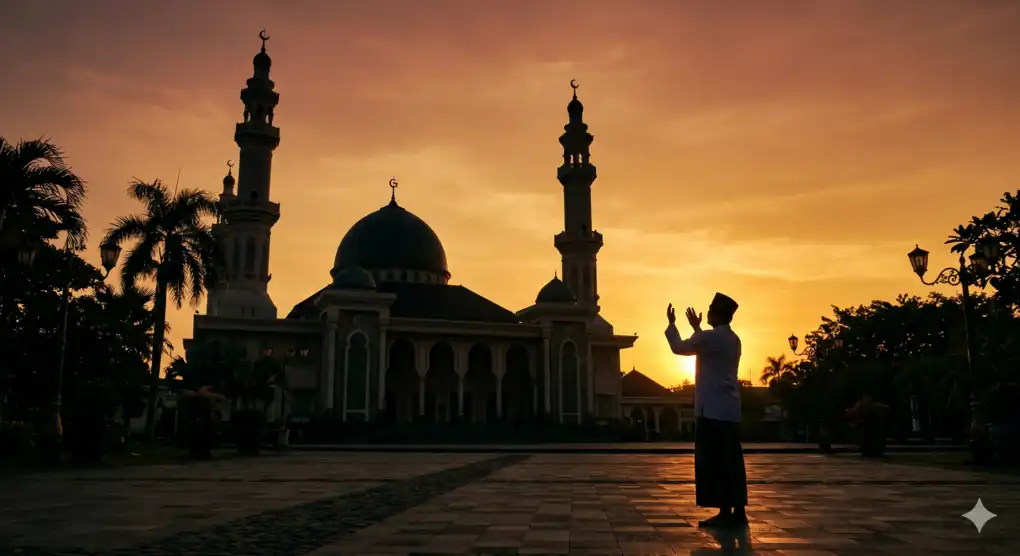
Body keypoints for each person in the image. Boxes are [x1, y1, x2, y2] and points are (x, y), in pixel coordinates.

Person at [664, 293, 747, 527]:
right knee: (732, 461)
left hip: (711, 409)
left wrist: (672, 324)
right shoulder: (733, 339)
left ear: (717, 314)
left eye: (710, 309)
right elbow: (707, 347)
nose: (707, 312)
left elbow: (679, 347)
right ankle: (738, 510)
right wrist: (697, 328)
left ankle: (724, 512)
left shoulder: (710, 338)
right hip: (729, 409)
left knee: (715, 461)